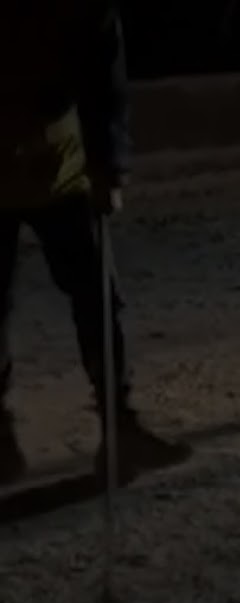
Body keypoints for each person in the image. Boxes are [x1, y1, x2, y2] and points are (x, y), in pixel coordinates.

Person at [0, 0, 192, 485]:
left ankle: (118, 427)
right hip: (41, 163)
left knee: (96, 300)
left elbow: (104, 85)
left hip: (60, 168)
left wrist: (108, 166)